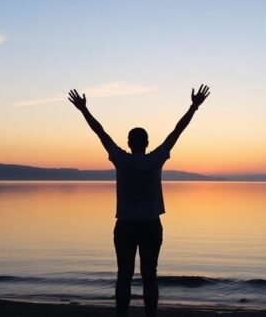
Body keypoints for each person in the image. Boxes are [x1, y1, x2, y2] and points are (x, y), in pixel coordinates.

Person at [68, 84, 210, 317]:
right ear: (146, 143)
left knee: (123, 274)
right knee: (149, 274)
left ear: (128, 143)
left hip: (125, 225)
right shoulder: (155, 159)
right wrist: (193, 107)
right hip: (150, 225)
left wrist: (84, 110)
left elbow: (101, 133)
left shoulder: (121, 160)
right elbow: (176, 132)